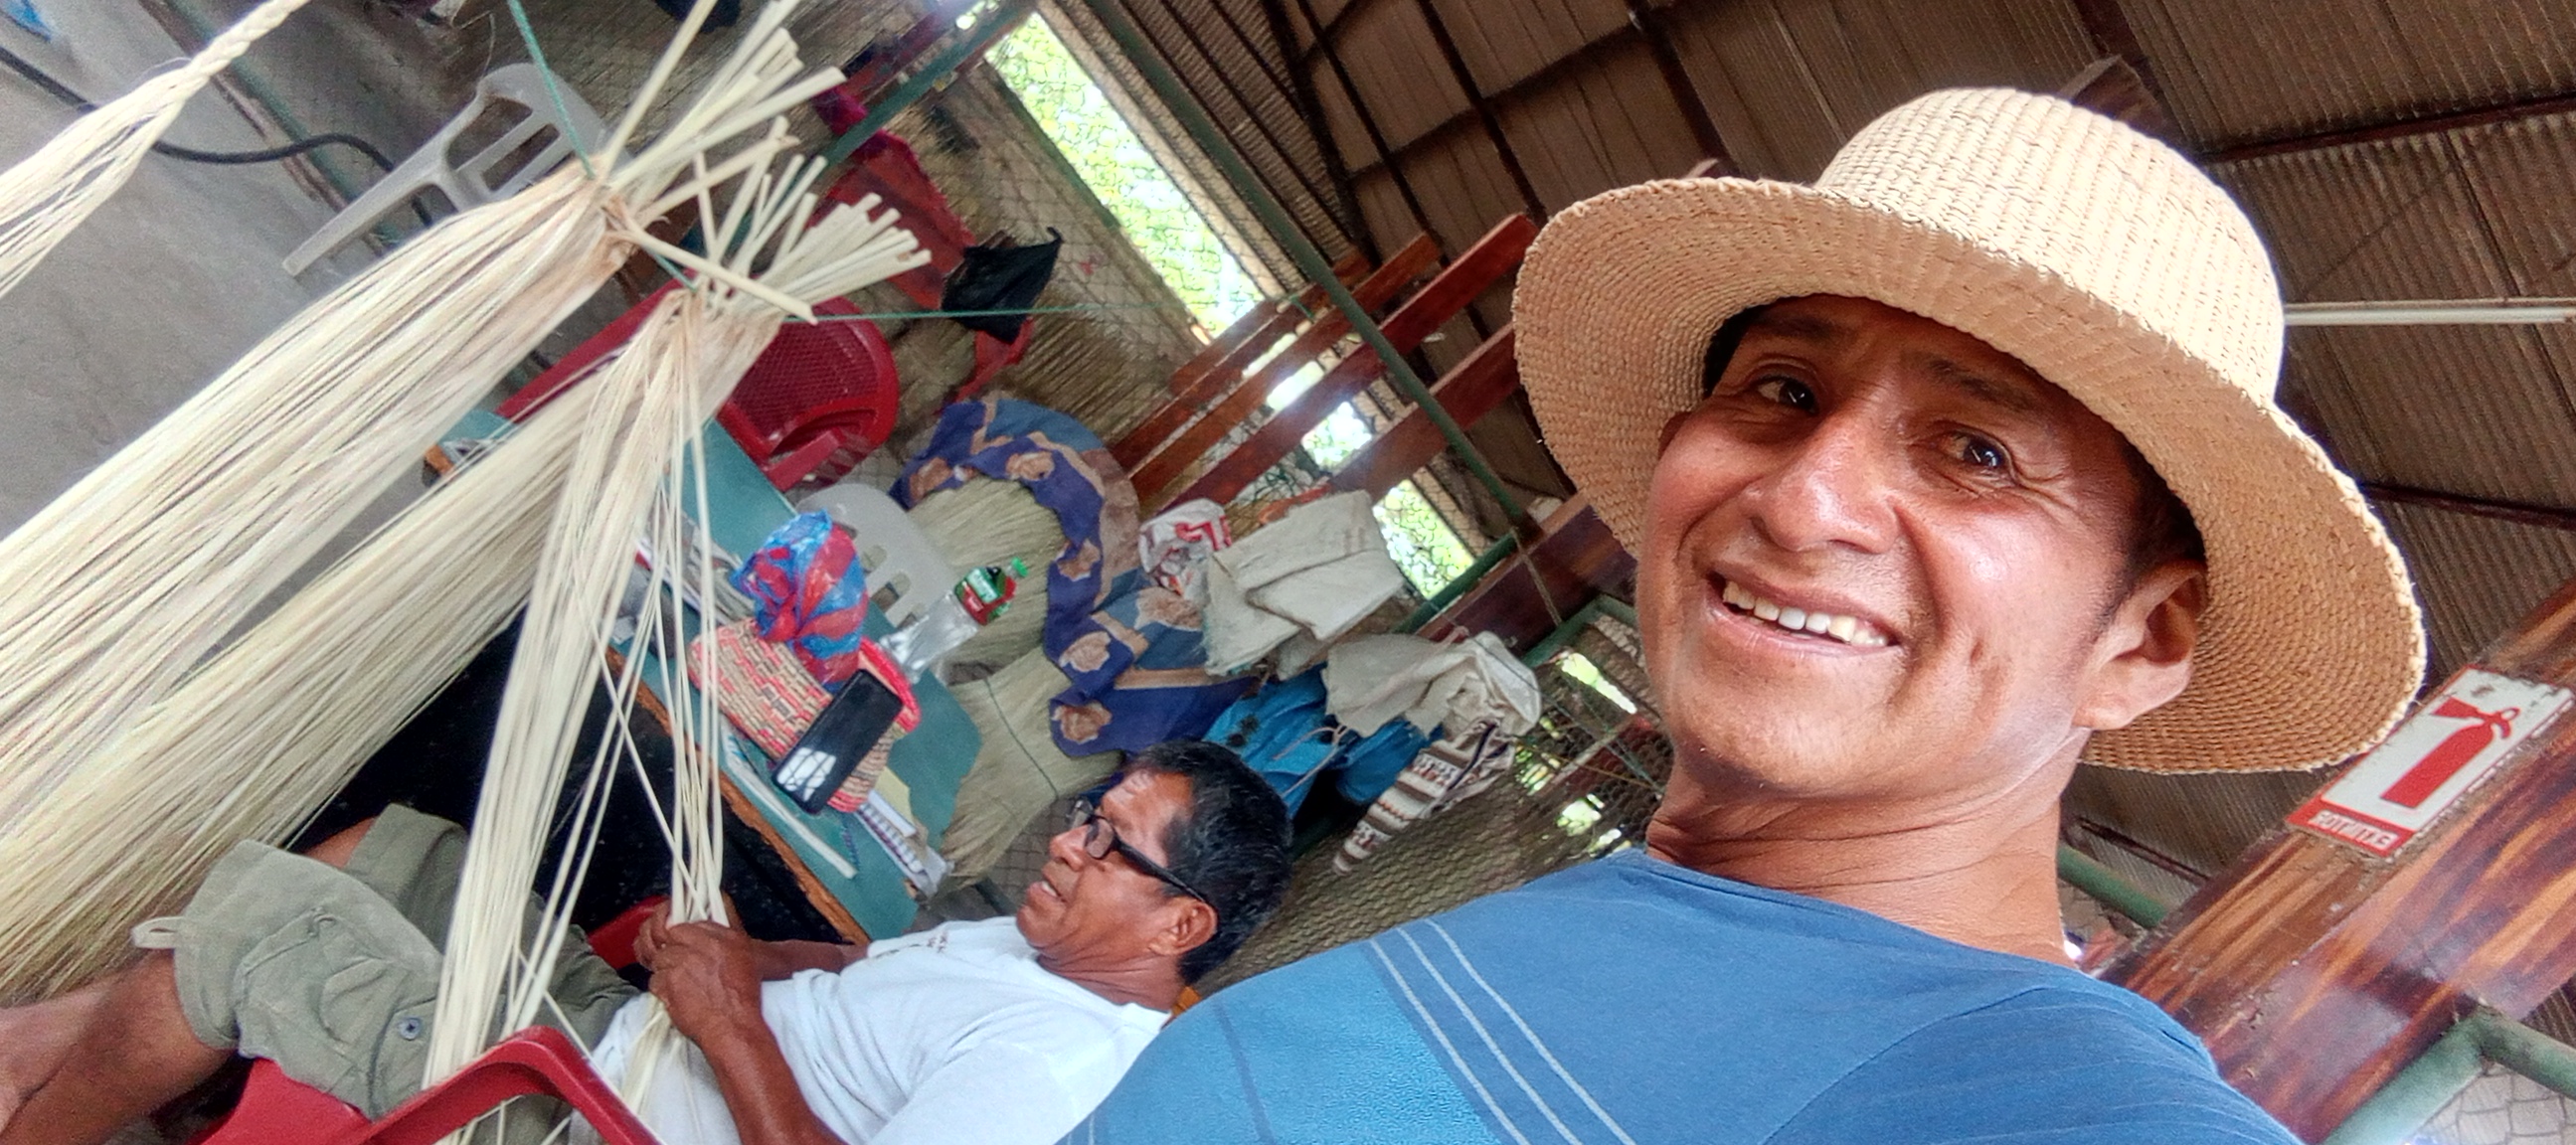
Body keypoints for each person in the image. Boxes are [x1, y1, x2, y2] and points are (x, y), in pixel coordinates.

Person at [1065, 88, 2425, 1144]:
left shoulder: (2042, 1096)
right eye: (1782, 391)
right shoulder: (1621, 912)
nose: (1804, 497)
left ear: (2142, 641)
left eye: (1979, 454)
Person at [0, 738, 1292, 1145]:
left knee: (266, 930)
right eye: (1087, 814)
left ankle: (38, 1100)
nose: (1066, 841)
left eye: (1109, 842)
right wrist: (729, 956)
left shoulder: (1058, 1063)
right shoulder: (1034, 947)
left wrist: (724, 1020)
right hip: (624, 1031)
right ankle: (38, 1051)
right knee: (406, 850)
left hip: (589, 1117)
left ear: (1180, 923)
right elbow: (845, 970)